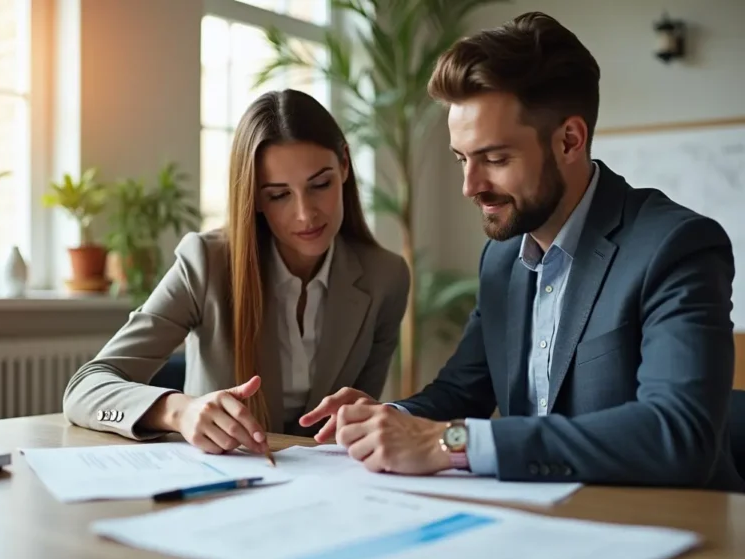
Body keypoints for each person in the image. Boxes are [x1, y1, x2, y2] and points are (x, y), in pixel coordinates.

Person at [301, 12, 745, 492]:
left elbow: (678, 435)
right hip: (540, 526)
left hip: (672, 535)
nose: (471, 186)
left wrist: (454, 443)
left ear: (569, 140)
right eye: (461, 159)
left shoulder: (675, 247)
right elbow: (460, 391)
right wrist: (388, 417)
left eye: (495, 159)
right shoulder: (502, 258)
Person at [63, 89, 410, 456]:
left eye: (319, 184)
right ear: (255, 198)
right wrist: (179, 411)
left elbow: (356, 414)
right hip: (219, 485)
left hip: (324, 488)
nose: (306, 214)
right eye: (279, 195)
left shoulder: (385, 278)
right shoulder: (206, 263)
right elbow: (86, 387)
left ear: (344, 164)